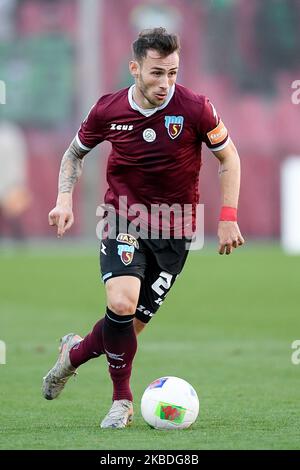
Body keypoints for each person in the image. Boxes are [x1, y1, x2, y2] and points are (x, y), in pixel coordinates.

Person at [42, 28, 244, 429]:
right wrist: (64, 199)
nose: (165, 83)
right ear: (135, 69)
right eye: (156, 73)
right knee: (121, 303)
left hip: (176, 231)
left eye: (172, 72)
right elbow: (74, 153)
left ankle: (73, 354)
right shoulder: (108, 110)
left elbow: (229, 158)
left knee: (125, 330)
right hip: (124, 218)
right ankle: (122, 401)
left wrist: (228, 217)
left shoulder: (196, 108)